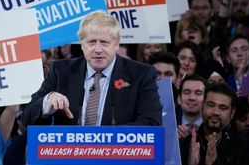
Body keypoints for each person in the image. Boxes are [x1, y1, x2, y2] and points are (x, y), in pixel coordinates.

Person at [22, 11, 162, 126]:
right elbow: (27, 117)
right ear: (82, 44)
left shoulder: (140, 75)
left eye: (104, 42)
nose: (98, 49)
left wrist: (104, 139)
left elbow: (152, 123)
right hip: (69, 157)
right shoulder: (61, 71)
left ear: (117, 44)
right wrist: (48, 100)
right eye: (92, 42)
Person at [180, 82, 249, 165]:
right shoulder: (186, 144)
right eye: (210, 105)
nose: (216, 112)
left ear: (232, 113)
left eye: (223, 108)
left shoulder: (246, 147)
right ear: (202, 107)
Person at [176, 75, 206, 139]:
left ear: (206, 99)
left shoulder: (213, 126)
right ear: (179, 99)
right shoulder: (167, 126)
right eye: (187, 92)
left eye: (198, 93)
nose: (192, 98)